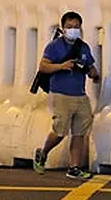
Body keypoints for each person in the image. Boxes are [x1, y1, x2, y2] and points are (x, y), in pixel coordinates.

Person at [33, 11, 100, 179]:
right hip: (60, 95)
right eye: (70, 27)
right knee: (60, 131)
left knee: (79, 132)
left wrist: (93, 73)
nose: (73, 30)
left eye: (76, 27)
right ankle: (43, 152)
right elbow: (43, 67)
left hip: (80, 95)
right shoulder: (54, 46)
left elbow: (90, 66)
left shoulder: (83, 47)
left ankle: (74, 167)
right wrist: (61, 66)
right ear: (63, 29)